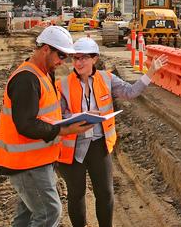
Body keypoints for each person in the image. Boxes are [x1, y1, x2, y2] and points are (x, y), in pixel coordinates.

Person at [55, 37, 168, 227]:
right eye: (75, 58)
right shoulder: (63, 85)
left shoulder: (107, 79)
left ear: (95, 59)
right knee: (76, 194)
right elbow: (58, 116)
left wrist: (150, 72)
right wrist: (78, 116)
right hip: (73, 148)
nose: (79, 62)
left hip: (98, 146)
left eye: (83, 58)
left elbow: (130, 92)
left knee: (105, 193)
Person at [0, 26, 93, 227]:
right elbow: (26, 125)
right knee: (49, 212)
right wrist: (64, 130)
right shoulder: (27, 79)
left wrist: (71, 119)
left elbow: (46, 114)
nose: (63, 61)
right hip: (26, 163)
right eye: (61, 55)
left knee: (27, 216)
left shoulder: (43, 74)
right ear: (46, 49)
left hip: (37, 160)